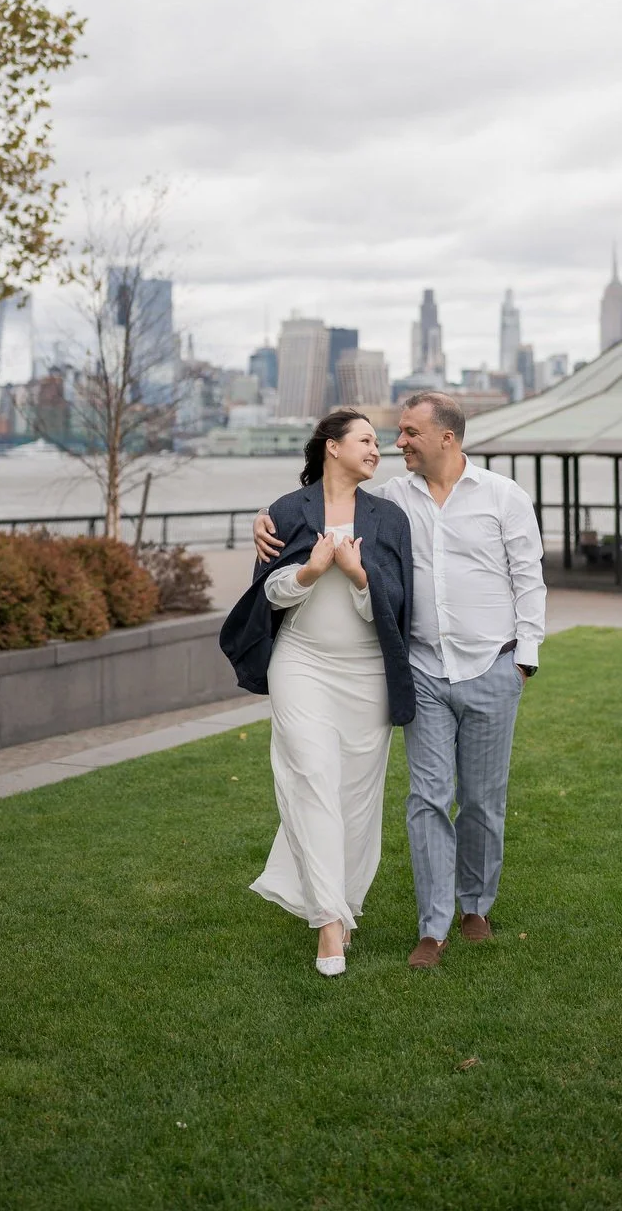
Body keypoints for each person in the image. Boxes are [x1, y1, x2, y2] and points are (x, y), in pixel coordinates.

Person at [254, 391, 545, 970]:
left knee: (483, 801)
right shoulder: (390, 500)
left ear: (447, 438)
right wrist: (261, 521)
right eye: (392, 434)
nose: (397, 442)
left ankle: (475, 907)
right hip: (423, 670)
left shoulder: (503, 497)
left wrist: (523, 660)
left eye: (409, 432)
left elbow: (528, 578)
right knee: (428, 798)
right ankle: (432, 928)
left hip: (492, 664)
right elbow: (328, 504)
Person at [221, 409, 415, 976]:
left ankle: (344, 904)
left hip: (366, 672)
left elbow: (397, 603)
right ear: (332, 447)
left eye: (380, 442)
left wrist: (358, 577)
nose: (378, 450)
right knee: (310, 780)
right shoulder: (284, 512)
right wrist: (309, 571)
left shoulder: (389, 518)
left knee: (355, 797)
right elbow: (267, 593)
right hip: (301, 664)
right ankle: (329, 922)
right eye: (366, 440)